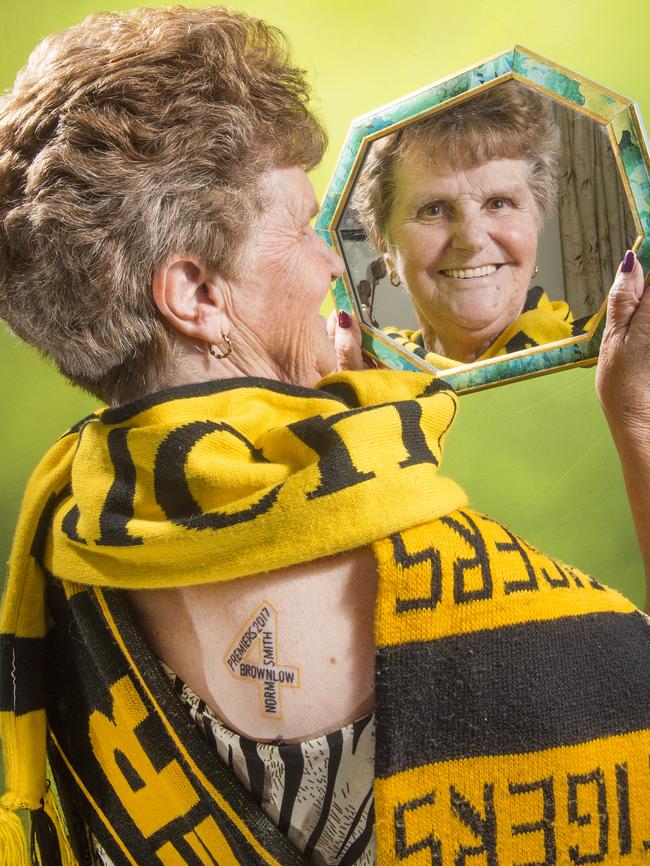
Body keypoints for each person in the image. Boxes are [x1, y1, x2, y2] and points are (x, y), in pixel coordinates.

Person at [1, 8, 650, 866]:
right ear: (195, 292)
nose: (333, 264)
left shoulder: (61, 553)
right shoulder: (473, 593)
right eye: (308, 224)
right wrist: (638, 421)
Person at [353, 81, 597, 368]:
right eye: (433, 209)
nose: (472, 239)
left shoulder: (608, 360)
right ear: (382, 240)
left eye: (498, 203)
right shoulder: (366, 377)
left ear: (536, 219)